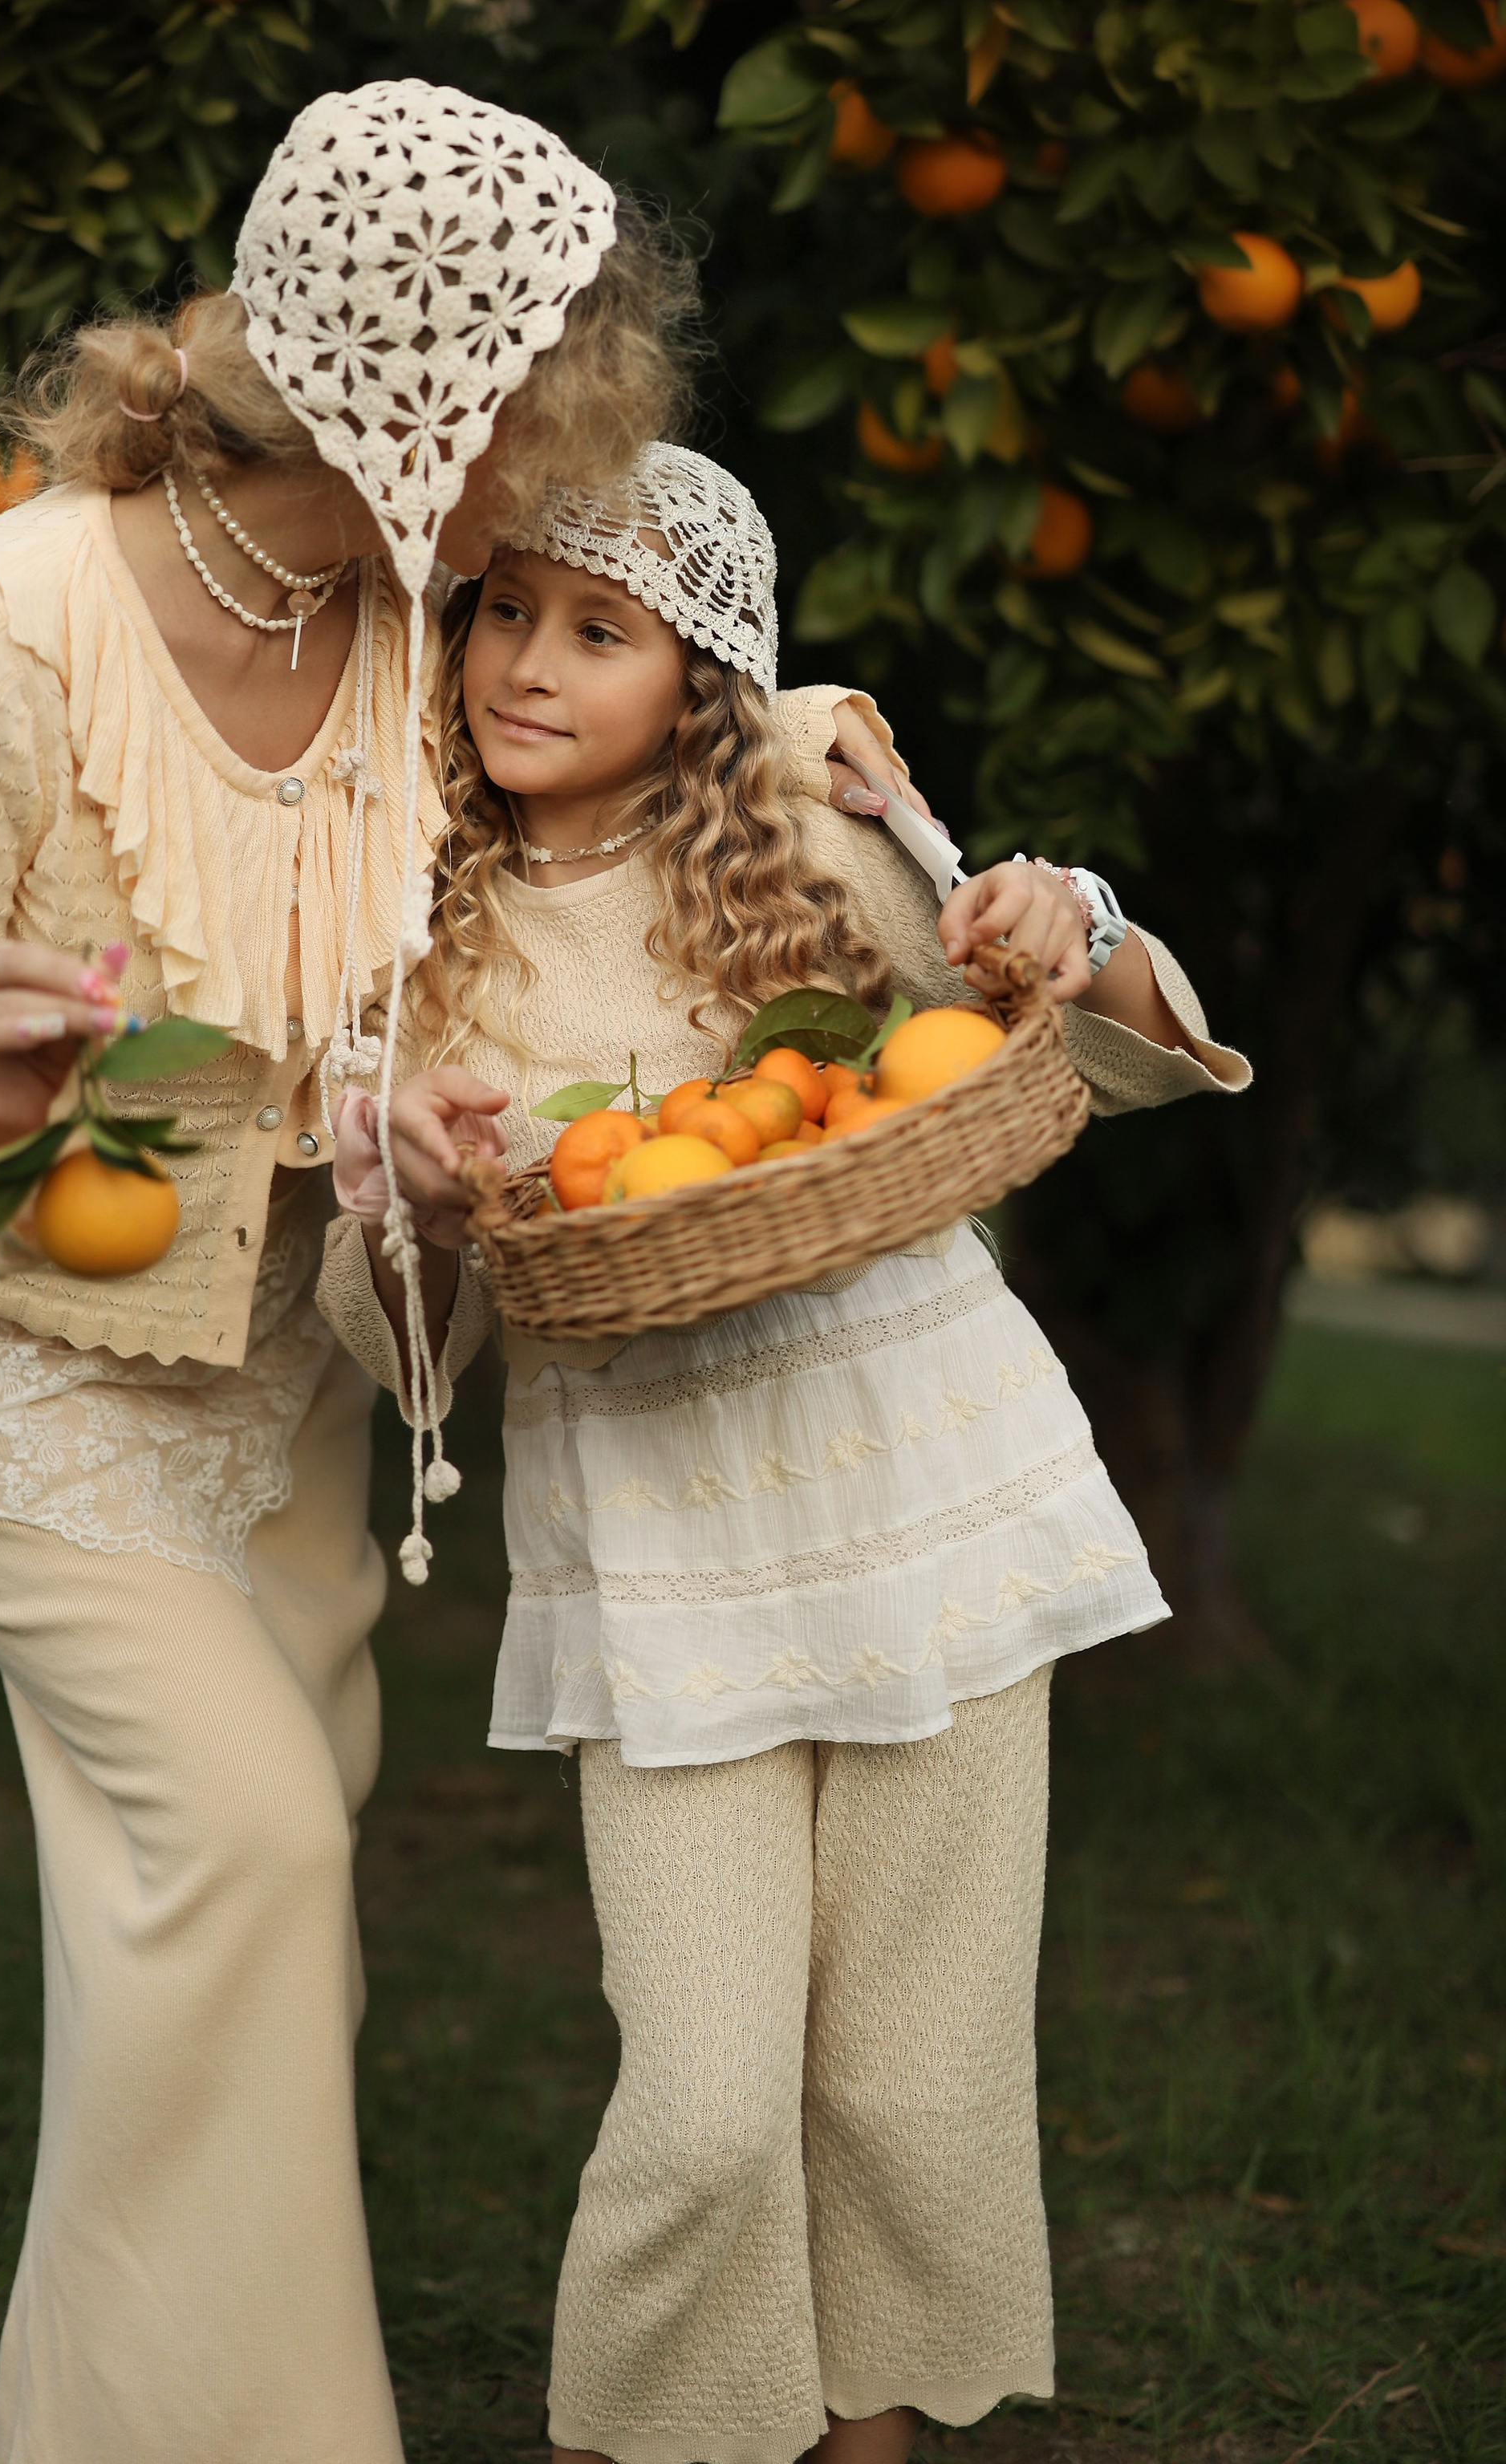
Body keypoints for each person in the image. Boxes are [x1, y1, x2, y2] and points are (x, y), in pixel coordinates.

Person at [0, 79, 696, 2464]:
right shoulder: (11, 629)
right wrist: (17, 1109)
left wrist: (396, 1114)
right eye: (540, 419)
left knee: (225, 1962)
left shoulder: (418, 635)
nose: (558, 481)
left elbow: (462, 938)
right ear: (424, 412)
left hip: (272, 1372)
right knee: (252, 1852)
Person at [317, 443, 1251, 2464]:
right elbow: (395, 1352)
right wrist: (399, 1199)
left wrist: (1055, 916)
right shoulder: (418, 946)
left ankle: (868, 2439)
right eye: (503, 610)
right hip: (663, 1553)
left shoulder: (808, 853)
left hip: (923, 1489)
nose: (524, 664)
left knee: (912, 2077)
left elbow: (1113, 1048)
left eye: (598, 631)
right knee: (704, 2100)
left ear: (701, 682)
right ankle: (649, 2431)